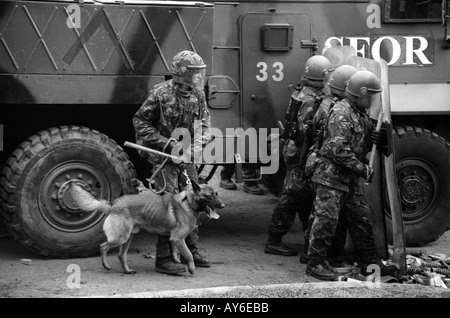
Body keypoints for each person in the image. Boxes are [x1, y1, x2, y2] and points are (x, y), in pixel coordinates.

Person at [306, 70, 397, 281]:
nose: (373, 99)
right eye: (371, 95)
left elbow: (361, 143)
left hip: (348, 178)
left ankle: (370, 263)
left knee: (361, 220)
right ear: (361, 92)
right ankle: (315, 263)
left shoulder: (360, 112)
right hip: (330, 177)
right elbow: (337, 149)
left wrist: (379, 138)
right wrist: (362, 169)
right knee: (326, 221)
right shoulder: (341, 112)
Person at [133, 50, 212, 275]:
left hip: (186, 160)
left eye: (200, 73)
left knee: (194, 203)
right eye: (195, 73)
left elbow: (205, 124)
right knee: (169, 207)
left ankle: (191, 250)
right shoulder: (160, 93)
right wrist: (167, 145)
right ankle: (165, 258)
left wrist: (193, 149)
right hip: (164, 160)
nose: (199, 78)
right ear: (183, 73)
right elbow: (140, 122)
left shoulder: (198, 95)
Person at [264, 55, 332, 256]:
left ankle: (305, 238)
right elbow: (305, 130)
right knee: (291, 196)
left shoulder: (304, 93)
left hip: (297, 150)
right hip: (300, 152)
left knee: (303, 196)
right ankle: (274, 240)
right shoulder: (311, 99)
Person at [301, 64, 358, 264]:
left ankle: (311, 253)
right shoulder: (335, 108)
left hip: (318, 162)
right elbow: (336, 145)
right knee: (325, 215)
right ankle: (316, 259)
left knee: (318, 212)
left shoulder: (326, 102)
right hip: (327, 167)